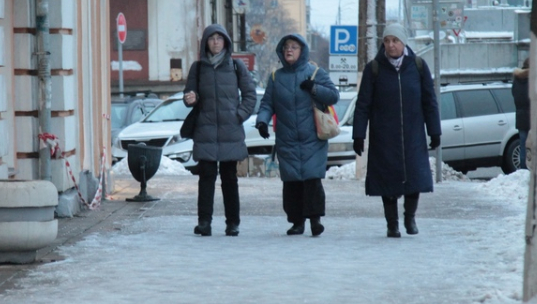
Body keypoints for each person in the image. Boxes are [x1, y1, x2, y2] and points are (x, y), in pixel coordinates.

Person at [351, 24, 441, 238]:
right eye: (387, 41)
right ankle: (392, 224)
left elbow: (430, 101)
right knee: (387, 181)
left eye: (395, 41)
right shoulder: (374, 69)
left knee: (414, 178)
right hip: (385, 137)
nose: (391, 45)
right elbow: (363, 104)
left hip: (413, 135)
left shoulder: (418, 66)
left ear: (404, 43)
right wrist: (358, 135)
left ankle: (410, 217)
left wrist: (434, 130)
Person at [254, 34, 339, 236]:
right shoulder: (276, 77)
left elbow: (333, 95)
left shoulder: (316, 72)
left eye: (293, 47)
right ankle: (296, 222)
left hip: (313, 137)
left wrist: (314, 88)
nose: (289, 50)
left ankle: (315, 220)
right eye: (286, 48)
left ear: (302, 51)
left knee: (312, 179)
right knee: (292, 182)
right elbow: (267, 103)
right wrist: (262, 121)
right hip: (287, 138)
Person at [183, 24, 256, 237]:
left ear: (226, 42)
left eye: (219, 38)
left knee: (229, 178)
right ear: (206, 42)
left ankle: (232, 223)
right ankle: (204, 222)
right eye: (211, 38)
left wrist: (239, 116)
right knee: (205, 178)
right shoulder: (197, 68)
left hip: (229, 131)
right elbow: (189, 95)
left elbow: (250, 96)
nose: (215, 42)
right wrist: (190, 98)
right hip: (205, 131)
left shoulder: (235, 67)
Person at [511, 56, 530, 170]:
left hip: (520, 117)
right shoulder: (533, 79)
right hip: (532, 117)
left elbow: (514, 95)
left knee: (523, 145)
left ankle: (523, 169)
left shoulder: (516, 80)